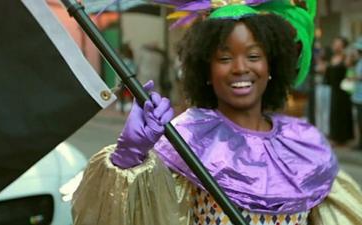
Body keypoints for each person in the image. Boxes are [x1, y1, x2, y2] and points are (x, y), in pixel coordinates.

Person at [71, 1, 362, 225]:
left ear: (272, 68)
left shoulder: (301, 145)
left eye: (253, 55)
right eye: (224, 57)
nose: (240, 68)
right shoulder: (184, 140)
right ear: (206, 71)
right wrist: (128, 158)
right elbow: (130, 215)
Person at [324, 37, 354, 146]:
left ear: (342, 46)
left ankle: (343, 138)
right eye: (335, 43)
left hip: (343, 90)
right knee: (334, 112)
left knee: (342, 112)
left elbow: (350, 71)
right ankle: (335, 136)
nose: (335, 45)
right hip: (334, 89)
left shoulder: (346, 57)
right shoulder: (332, 57)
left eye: (338, 44)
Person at [351, 37, 362, 150]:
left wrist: (355, 78)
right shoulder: (359, 62)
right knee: (359, 120)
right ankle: (360, 143)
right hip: (358, 95)